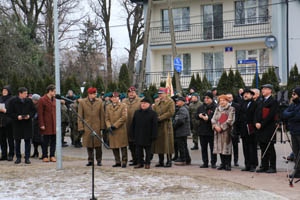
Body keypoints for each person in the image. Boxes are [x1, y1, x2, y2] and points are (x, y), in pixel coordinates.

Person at [255, 84, 278, 173]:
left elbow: (271, 115)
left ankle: (272, 167)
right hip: (260, 128)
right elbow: (256, 113)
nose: (263, 90)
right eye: (262, 89)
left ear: (270, 90)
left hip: (269, 128)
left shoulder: (273, 101)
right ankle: (264, 166)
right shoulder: (261, 101)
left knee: (270, 147)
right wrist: (256, 122)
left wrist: (262, 124)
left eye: (265, 89)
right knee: (263, 147)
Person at [78, 88, 105, 166]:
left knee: (98, 145)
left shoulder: (99, 102)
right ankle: (90, 160)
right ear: (89, 94)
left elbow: (102, 115)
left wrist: (102, 126)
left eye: (95, 94)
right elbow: (80, 116)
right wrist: (80, 127)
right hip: (87, 126)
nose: (94, 95)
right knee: (89, 144)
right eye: (92, 94)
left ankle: (99, 160)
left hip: (97, 126)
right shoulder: (82, 102)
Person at [8, 87, 36, 164]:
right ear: (20, 93)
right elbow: (10, 113)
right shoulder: (13, 101)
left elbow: (33, 110)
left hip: (27, 124)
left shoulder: (29, 101)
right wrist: (17, 117)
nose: (26, 95)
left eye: (27, 93)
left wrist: (29, 116)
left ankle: (27, 158)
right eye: (25, 93)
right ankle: (18, 157)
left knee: (28, 141)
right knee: (17, 142)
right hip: (17, 124)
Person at [131, 98, 158, 169]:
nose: (143, 105)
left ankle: (147, 163)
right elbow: (133, 124)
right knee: (138, 150)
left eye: (145, 103)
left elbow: (155, 125)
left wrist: (154, 135)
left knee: (148, 151)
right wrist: (132, 133)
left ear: (149, 104)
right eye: (142, 103)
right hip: (138, 134)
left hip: (148, 135)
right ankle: (140, 163)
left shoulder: (153, 113)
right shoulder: (137, 112)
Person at [211, 95, 235, 171]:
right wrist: (215, 126)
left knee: (226, 148)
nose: (222, 102)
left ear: (227, 101)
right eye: (220, 100)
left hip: (226, 131)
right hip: (217, 131)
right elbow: (213, 119)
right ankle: (223, 163)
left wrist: (221, 127)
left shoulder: (231, 109)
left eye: (223, 100)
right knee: (220, 148)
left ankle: (228, 164)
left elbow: (230, 120)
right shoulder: (217, 109)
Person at [152, 88, 175, 168]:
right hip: (158, 125)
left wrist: (160, 118)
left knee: (168, 143)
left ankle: (169, 161)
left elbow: (171, 112)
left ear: (166, 94)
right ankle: (160, 161)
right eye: (159, 94)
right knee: (159, 144)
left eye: (161, 93)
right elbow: (154, 111)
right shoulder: (157, 102)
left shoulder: (170, 101)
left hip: (166, 124)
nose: (160, 95)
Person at [105, 92, 128, 168]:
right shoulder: (108, 107)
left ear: (119, 98)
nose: (114, 99)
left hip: (120, 129)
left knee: (123, 146)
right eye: (113, 97)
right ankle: (117, 161)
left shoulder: (123, 106)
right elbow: (107, 118)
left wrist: (115, 125)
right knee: (114, 146)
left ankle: (124, 161)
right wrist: (109, 126)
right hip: (112, 129)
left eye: (116, 97)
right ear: (111, 99)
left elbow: (124, 117)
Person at [196, 92, 217, 168]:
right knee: (203, 148)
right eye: (205, 98)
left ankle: (213, 163)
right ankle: (205, 162)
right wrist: (199, 116)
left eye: (208, 98)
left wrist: (209, 119)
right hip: (202, 130)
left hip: (211, 130)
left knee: (212, 148)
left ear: (211, 99)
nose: (206, 99)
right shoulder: (201, 107)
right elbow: (196, 115)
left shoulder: (215, 107)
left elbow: (216, 118)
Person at [283, 88, 300, 178]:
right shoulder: (293, 104)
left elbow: (298, 117)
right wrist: (292, 114)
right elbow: (284, 113)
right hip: (293, 131)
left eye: (294, 94)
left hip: (299, 131)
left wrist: (291, 115)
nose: (292, 96)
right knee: (296, 153)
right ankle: (297, 171)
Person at [240, 89, 258, 172]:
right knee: (245, 147)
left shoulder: (255, 104)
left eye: (247, 94)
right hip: (243, 128)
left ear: (251, 95)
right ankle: (247, 165)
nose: (245, 95)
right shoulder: (242, 104)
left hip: (252, 128)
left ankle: (253, 165)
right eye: (244, 94)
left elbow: (256, 116)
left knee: (252, 147)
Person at [123, 86, 141, 166]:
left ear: (135, 93)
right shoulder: (124, 101)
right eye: (129, 92)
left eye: (133, 92)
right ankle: (134, 159)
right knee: (130, 145)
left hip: (137, 126)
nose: (131, 94)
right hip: (127, 125)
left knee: (137, 144)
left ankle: (139, 160)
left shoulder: (140, 101)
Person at [37, 84, 57, 162]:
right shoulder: (42, 99)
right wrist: (41, 124)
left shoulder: (55, 99)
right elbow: (40, 113)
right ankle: (45, 155)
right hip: (46, 123)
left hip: (54, 123)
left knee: (53, 140)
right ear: (50, 91)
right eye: (54, 91)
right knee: (45, 141)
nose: (55, 93)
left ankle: (52, 155)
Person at [173, 97, 191, 165]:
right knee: (183, 145)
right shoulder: (182, 108)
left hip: (182, 130)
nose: (176, 102)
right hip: (182, 130)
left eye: (178, 101)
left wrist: (174, 126)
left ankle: (183, 159)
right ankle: (187, 159)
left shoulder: (182, 109)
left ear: (183, 102)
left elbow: (180, 120)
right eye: (176, 101)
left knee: (182, 145)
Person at [0, 85, 14, 161]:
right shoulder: (0, 98)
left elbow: (13, 110)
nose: (4, 92)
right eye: (3, 90)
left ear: (9, 91)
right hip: (1, 122)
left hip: (9, 122)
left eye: (6, 90)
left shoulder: (12, 99)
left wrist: (6, 111)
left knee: (10, 139)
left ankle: (11, 154)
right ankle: (4, 155)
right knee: (2, 140)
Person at [227, 93, 241, 167]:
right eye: (228, 97)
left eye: (230, 97)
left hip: (235, 129)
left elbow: (239, 117)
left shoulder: (237, 106)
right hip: (226, 129)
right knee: (227, 146)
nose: (229, 98)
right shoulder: (223, 106)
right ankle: (227, 162)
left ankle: (236, 161)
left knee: (235, 146)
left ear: (232, 98)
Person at [31, 94, 42, 158]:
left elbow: (36, 115)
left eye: (33, 99)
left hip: (38, 124)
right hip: (34, 124)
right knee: (34, 140)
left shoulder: (39, 105)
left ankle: (42, 153)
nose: (32, 100)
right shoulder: (33, 105)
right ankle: (35, 152)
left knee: (39, 140)